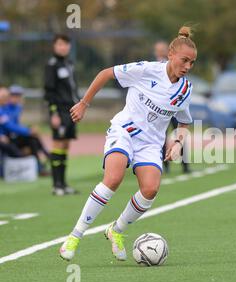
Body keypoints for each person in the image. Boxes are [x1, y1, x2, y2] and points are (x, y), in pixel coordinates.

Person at [59, 26, 196, 262]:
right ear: (171, 55)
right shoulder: (145, 70)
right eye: (184, 60)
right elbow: (105, 73)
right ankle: (74, 236)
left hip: (151, 144)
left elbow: (183, 122)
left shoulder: (185, 89)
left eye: (192, 63)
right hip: (125, 130)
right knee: (113, 178)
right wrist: (83, 104)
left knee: (150, 189)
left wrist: (178, 143)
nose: (187, 67)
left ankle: (116, 231)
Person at [44, 34, 80, 195]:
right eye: (59, 44)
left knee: (65, 146)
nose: (62, 47)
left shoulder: (69, 64)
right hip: (60, 110)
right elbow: (49, 91)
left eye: (65, 44)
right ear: (54, 46)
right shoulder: (52, 65)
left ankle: (63, 184)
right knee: (58, 144)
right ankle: (56, 185)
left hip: (71, 110)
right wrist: (54, 113)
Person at [154, 40, 191, 174]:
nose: (161, 52)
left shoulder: (176, 64)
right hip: (160, 109)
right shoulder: (153, 66)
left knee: (180, 133)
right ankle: (164, 165)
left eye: (163, 49)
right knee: (160, 136)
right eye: (158, 50)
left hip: (174, 108)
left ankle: (185, 165)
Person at [6, 85, 50, 175]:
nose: (16, 97)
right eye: (13, 95)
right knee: (31, 134)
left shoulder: (18, 107)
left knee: (33, 140)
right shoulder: (4, 107)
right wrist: (27, 131)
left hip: (15, 136)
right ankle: (46, 155)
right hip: (7, 137)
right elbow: (9, 126)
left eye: (18, 95)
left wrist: (29, 130)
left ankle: (39, 166)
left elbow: (16, 124)